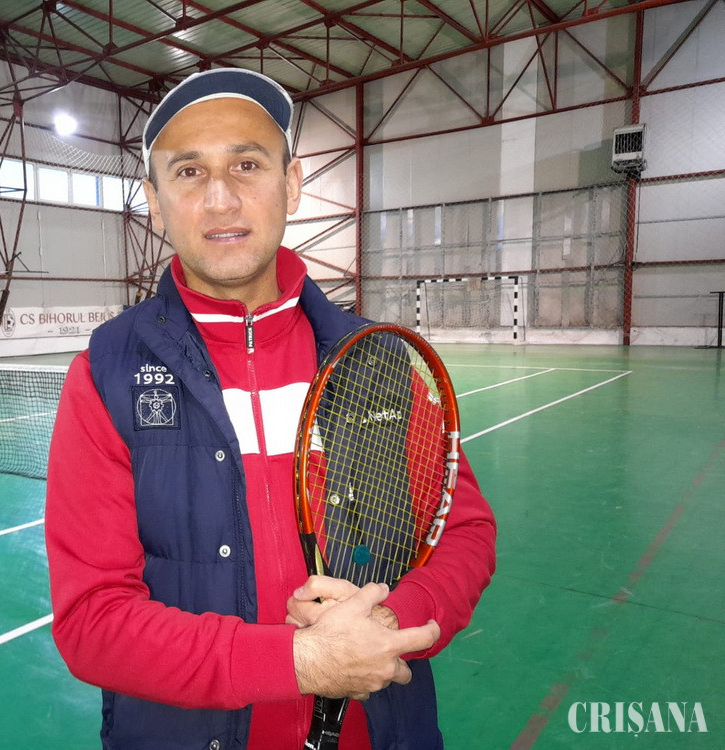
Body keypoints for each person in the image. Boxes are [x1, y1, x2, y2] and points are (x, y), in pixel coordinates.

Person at [45, 68, 496, 749]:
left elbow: (463, 533)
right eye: (189, 172)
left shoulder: (379, 362)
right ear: (154, 202)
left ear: (291, 183)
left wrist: (389, 622)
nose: (220, 198)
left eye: (247, 165)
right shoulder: (105, 376)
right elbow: (92, 622)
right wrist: (300, 661)